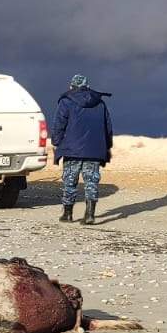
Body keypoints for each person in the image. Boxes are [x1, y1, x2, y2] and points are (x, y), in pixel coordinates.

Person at [50, 74, 113, 225]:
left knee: (70, 182)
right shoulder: (100, 103)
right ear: (87, 86)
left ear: (71, 87)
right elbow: (108, 127)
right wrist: (107, 146)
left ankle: (67, 214)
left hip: (72, 149)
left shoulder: (66, 102)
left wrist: (56, 142)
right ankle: (90, 215)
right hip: (94, 150)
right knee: (91, 182)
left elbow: (59, 125)